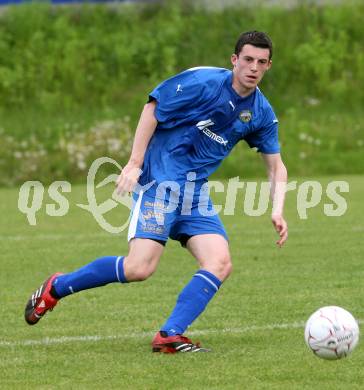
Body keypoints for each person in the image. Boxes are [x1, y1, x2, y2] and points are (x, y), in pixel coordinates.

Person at [24, 31, 288, 353]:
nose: (253, 67)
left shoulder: (260, 112)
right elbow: (153, 106)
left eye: (261, 62)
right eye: (247, 59)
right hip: (159, 181)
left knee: (219, 262)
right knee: (139, 269)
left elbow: (276, 166)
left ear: (268, 66)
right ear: (234, 60)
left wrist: (277, 209)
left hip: (194, 192)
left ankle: (169, 335)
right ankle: (57, 286)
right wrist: (134, 162)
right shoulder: (202, 83)